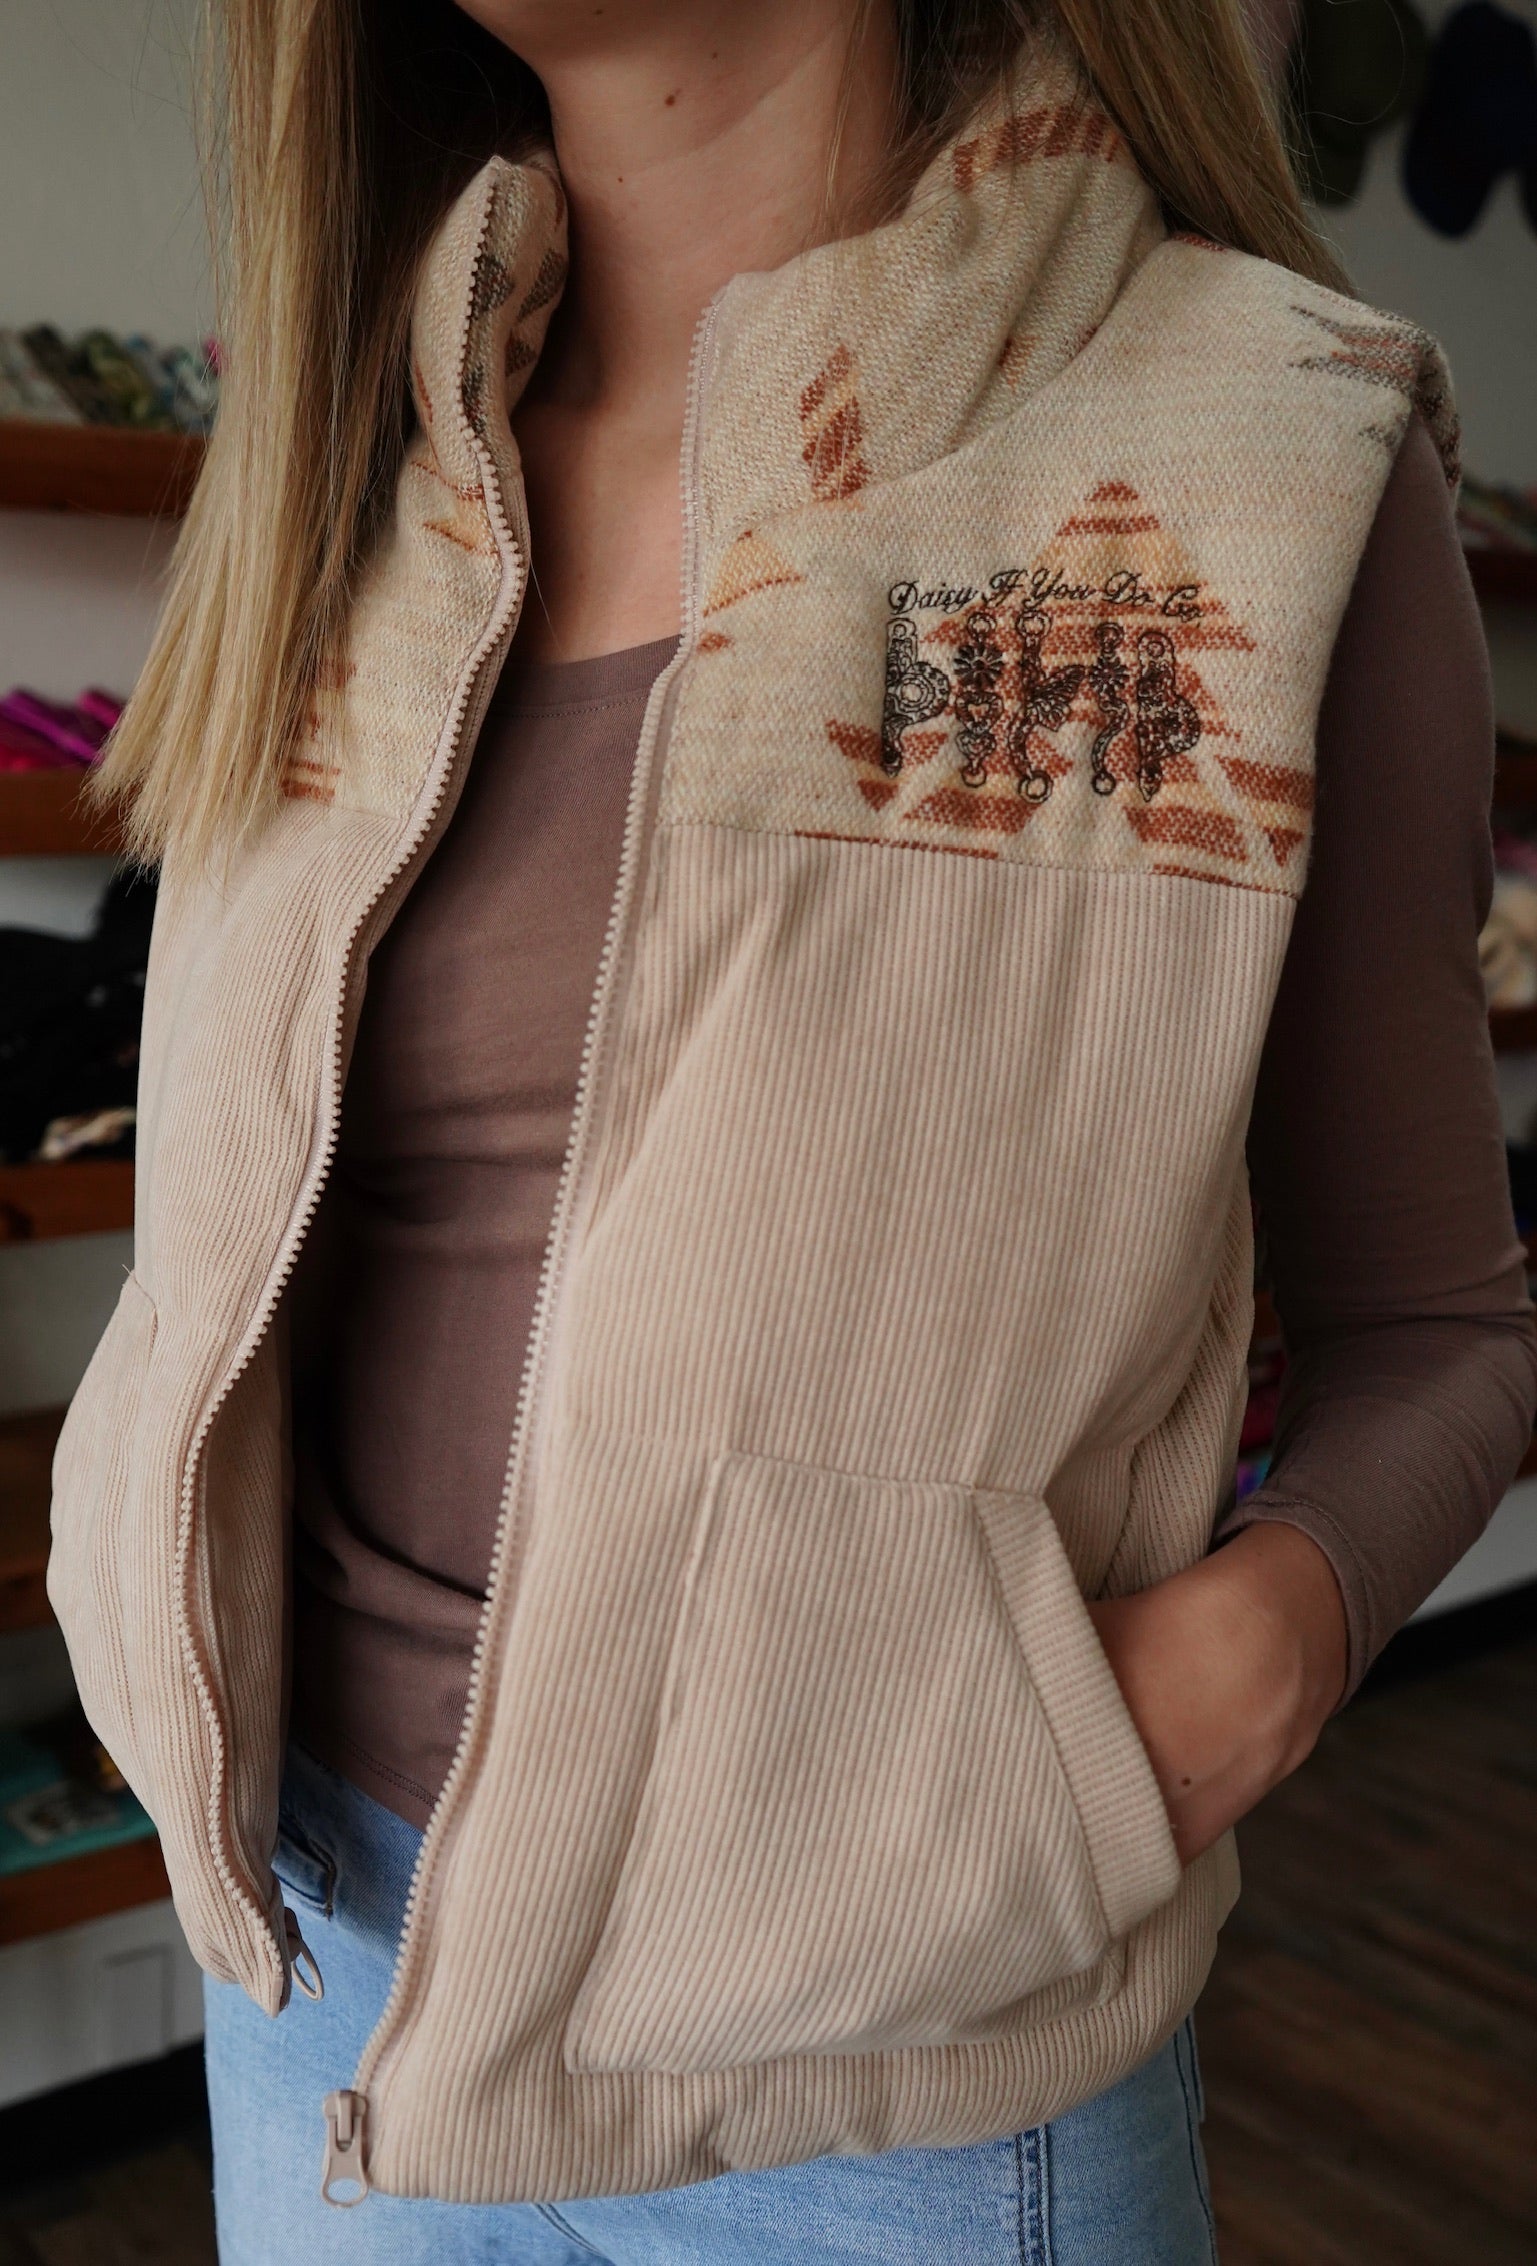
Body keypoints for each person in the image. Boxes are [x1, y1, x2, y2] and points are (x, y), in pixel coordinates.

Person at [50, 0, 1534, 2258]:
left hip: (889, 2084)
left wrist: (1256, 1655)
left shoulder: (1259, 444)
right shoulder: (345, 471)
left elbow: (1439, 1322)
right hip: (315, 1963)